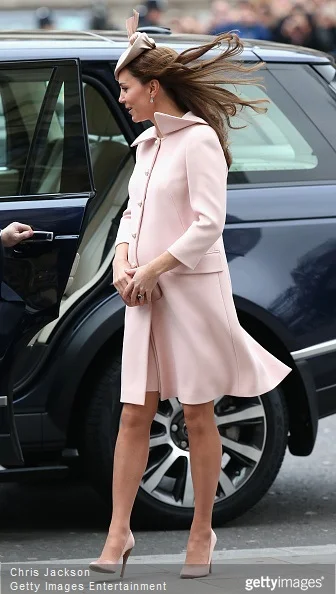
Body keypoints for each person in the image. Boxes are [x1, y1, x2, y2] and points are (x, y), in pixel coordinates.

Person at [90, 9, 292, 579]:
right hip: (143, 295)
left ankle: (201, 532)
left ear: (153, 88)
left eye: (126, 89)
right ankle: (119, 532)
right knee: (134, 413)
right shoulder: (147, 147)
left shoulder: (198, 141)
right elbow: (131, 214)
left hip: (192, 294)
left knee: (199, 415)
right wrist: (124, 264)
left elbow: (207, 223)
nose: (123, 99)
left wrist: (153, 268)